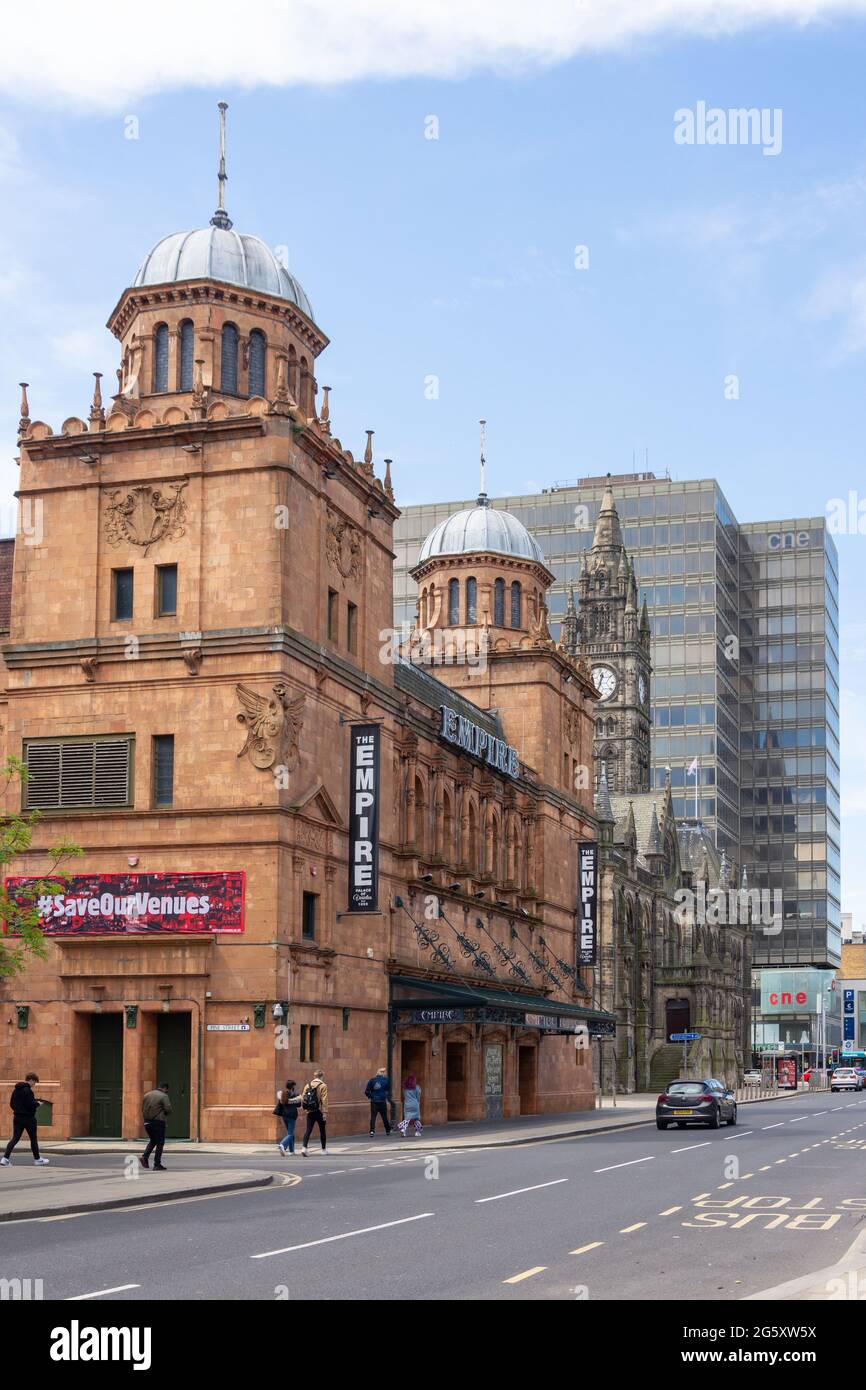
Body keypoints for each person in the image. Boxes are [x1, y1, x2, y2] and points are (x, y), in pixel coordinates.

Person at [0, 1072, 50, 1165]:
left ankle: (5, 1159)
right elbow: (31, 1104)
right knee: (33, 1139)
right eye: (34, 1082)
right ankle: (37, 1159)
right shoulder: (28, 1091)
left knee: (15, 1138)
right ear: (31, 1080)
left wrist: (18, 1110)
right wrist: (38, 1104)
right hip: (29, 1118)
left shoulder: (16, 1090)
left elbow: (11, 1104)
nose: (34, 1085)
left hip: (17, 1117)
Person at [140, 1082, 171, 1171]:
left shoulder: (147, 1095)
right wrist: (165, 1113)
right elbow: (168, 1109)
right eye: (167, 1090)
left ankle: (144, 1157)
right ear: (165, 1088)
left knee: (153, 1140)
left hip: (147, 1122)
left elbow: (143, 1108)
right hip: (158, 1122)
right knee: (160, 1143)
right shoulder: (163, 1096)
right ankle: (157, 1164)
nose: (167, 1092)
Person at [300, 1070, 328, 1156]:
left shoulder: (307, 1085)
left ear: (314, 1076)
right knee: (322, 1130)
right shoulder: (323, 1085)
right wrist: (324, 1112)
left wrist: (305, 1109)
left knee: (308, 1130)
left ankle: (304, 1148)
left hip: (310, 1111)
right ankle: (323, 1150)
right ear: (321, 1076)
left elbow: (303, 1098)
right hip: (319, 1111)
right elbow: (324, 1099)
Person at [365, 1067, 392, 1136]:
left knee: (373, 1117)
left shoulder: (372, 1080)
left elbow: (367, 1091)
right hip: (382, 1101)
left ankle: (372, 1131)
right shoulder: (386, 1080)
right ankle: (388, 1130)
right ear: (383, 1073)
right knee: (384, 1116)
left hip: (374, 1101)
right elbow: (388, 1090)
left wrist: (372, 1096)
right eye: (385, 1072)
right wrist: (385, 1096)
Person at [274, 1079, 299, 1156]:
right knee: (290, 1134)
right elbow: (299, 1105)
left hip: (285, 1116)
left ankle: (291, 1151)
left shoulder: (282, 1094)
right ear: (292, 1087)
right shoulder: (294, 1095)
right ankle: (282, 1144)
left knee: (290, 1133)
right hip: (292, 1116)